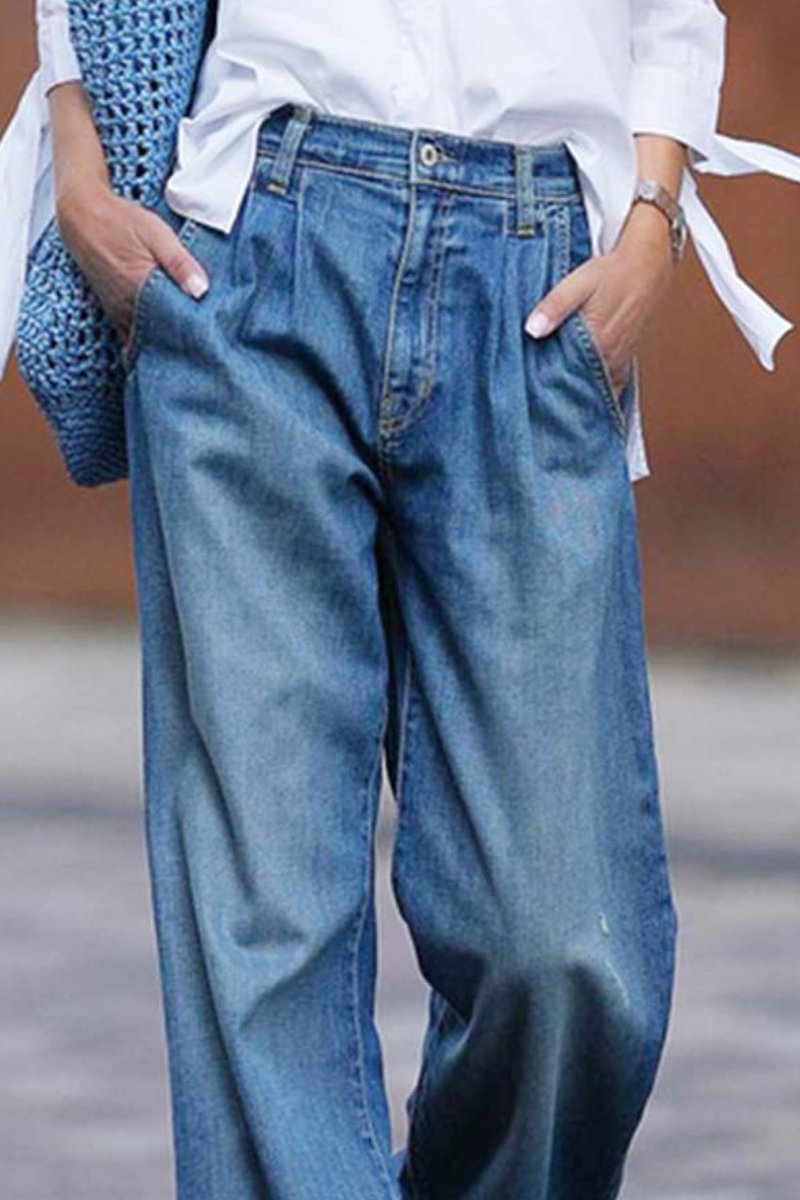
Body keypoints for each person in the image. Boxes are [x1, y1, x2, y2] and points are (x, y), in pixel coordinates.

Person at [1, 2, 799, 1197]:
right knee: (264, 921)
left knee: (563, 945)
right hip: (251, 241)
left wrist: (651, 218)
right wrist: (79, 166)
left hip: (536, 275)